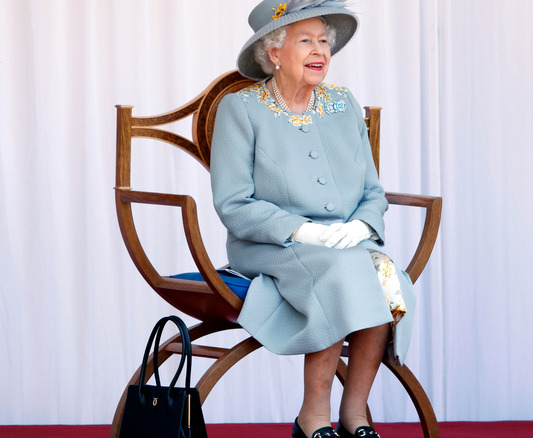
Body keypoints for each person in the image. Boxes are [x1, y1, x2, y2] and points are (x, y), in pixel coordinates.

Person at [210, 1, 416, 437]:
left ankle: (355, 414)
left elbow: (371, 191)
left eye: (324, 40)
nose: (319, 50)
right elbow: (233, 203)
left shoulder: (343, 104)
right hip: (271, 247)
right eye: (304, 40)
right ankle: (313, 417)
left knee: (384, 274)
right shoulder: (240, 109)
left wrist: (360, 226)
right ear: (273, 52)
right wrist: (301, 230)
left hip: (346, 244)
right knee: (344, 272)